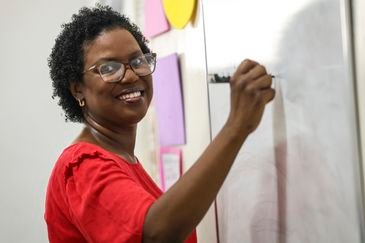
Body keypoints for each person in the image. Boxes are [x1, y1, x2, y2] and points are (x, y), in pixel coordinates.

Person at [44, 5, 275, 243]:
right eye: (109, 68)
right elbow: (154, 235)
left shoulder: (122, 158)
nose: (132, 75)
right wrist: (236, 127)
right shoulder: (83, 166)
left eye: (138, 61)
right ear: (77, 89)